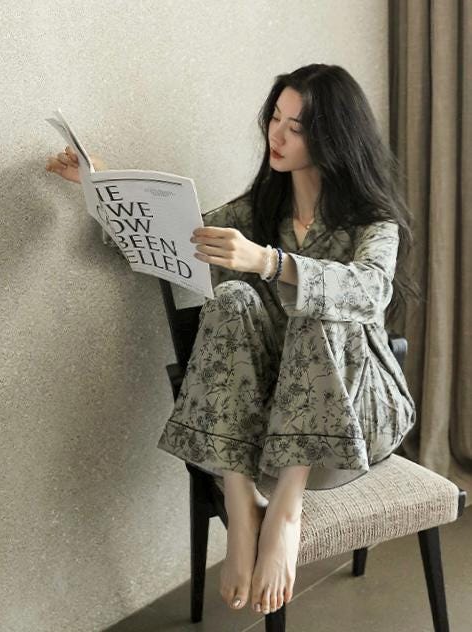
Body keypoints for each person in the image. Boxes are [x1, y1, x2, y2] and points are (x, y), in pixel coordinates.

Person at [46, 63, 420, 618]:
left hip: (356, 416)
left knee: (318, 303)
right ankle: (241, 499)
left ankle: (286, 510)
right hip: (269, 418)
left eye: (296, 127)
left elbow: (370, 291)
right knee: (231, 298)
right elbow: (174, 236)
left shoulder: (373, 221)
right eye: (275, 118)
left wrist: (270, 261)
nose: (277, 135)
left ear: (334, 138)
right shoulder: (259, 209)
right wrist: (101, 185)